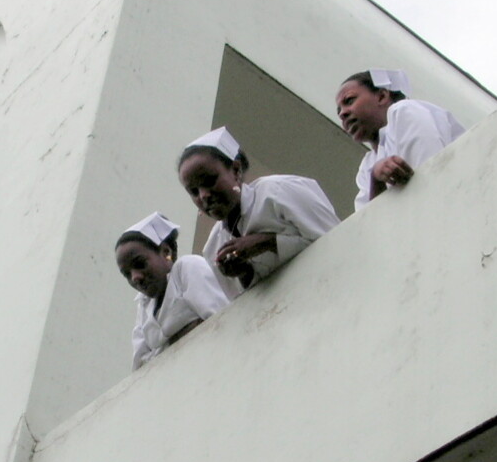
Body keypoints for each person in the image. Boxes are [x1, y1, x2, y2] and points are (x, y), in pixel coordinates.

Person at [177, 127, 339, 299]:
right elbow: (244, 309)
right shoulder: (213, 248)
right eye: (194, 191)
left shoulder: (278, 192)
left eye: (209, 181)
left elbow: (337, 240)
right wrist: (244, 273)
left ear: (236, 170)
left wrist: (268, 242)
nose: (204, 195)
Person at [335, 69, 466, 210]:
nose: (343, 113)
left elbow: (431, 178)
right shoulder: (368, 165)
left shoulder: (404, 111)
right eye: (339, 111)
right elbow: (371, 225)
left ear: (382, 96)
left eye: (349, 100)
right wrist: (375, 179)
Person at [117, 212, 230, 369]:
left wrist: (160, 350)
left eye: (140, 264)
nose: (135, 277)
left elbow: (222, 320)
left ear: (166, 252)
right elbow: (140, 367)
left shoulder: (187, 268)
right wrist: (180, 337)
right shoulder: (144, 303)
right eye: (127, 274)